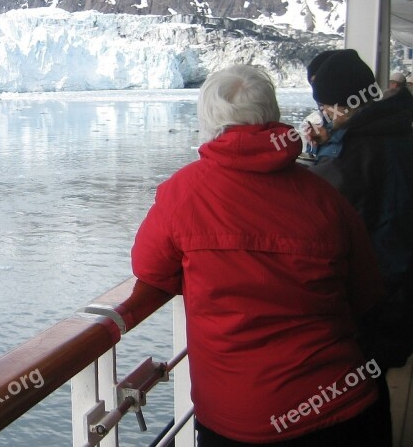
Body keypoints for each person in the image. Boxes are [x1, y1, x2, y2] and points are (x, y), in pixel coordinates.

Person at [131, 64, 389, 446]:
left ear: (209, 122)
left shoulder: (181, 194)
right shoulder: (326, 197)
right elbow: (366, 292)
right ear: (272, 116)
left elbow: (151, 270)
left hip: (238, 420)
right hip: (340, 406)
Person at [306, 50, 413, 445]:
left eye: (325, 107)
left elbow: (318, 206)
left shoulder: (358, 153)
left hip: (376, 299)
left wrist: (319, 156)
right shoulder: (395, 129)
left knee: (360, 397)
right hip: (399, 291)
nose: (325, 116)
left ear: (338, 104)